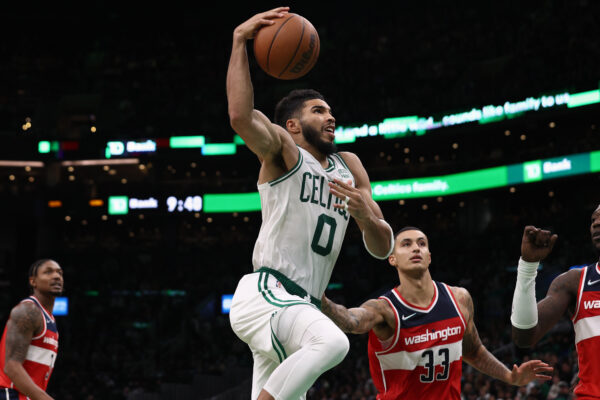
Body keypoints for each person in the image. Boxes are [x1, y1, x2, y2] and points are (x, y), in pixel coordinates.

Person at [226, 6, 395, 400]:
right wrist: (239, 41)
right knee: (333, 343)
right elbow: (238, 116)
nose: (331, 118)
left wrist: (363, 213)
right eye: (319, 112)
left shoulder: (349, 166)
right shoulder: (283, 152)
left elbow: (383, 246)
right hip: (268, 293)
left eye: (332, 111)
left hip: (300, 307)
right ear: (292, 126)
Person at [321, 226, 553, 399]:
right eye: (406, 244)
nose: (415, 248)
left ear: (429, 256)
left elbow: (473, 352)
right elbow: (351, 321)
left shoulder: (459, 298)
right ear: (392, 259)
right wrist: (318, 298)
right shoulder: (385, 309)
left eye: (422, 244)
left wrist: (510, 377)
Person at [511, 203, 600, 398]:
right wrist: (527, 267)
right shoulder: (573, 282)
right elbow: (524, 337)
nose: (597, 224)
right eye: (593, 220)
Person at [0, 259, 63, 400]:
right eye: (48, 272)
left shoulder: (50, 319)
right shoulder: (28, 310)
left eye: (60, 273)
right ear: (33, 281)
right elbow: (11, 366)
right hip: (9, 395)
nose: (57, 276)